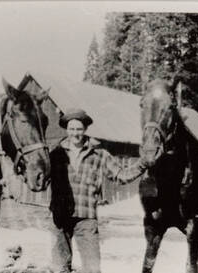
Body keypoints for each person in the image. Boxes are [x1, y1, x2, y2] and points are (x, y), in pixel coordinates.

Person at [49, 108, 147, 273]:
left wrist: (143, 163)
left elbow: (121, 175)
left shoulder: (100, 154)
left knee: (93, 269)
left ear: (85, 129)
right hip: (59, 217)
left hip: (86, 219)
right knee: (59, 268)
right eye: (72, 129)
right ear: (67, 130)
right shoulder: (55, 153)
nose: (75, 133)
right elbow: (38, 175)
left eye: (79, 129)